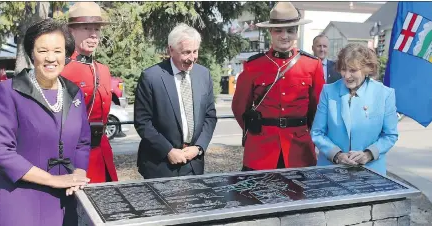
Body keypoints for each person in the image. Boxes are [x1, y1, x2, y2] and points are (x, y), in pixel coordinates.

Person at [0, 19, 91, 226]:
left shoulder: (74, 92)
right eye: (43, 50)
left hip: (66, 199)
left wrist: (79, 174)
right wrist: (53, 180)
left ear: (66, 54)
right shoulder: (9, 92)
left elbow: (82, 142)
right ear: (31, 53)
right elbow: (0, 151)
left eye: (58, 51)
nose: (51, 58)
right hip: (20, 200)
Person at [232, 2, 325, 171]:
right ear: (270, 32)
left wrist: (305, 133)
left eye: (290, 30)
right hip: (261, 149)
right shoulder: (253, 65)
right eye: (279, 30)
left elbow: (317, 109)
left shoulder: (312, 65)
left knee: (299, 196)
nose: (285, 36)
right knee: (256, 197)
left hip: (299, 150)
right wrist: (256, 129)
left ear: (296, 32)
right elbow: (239, 107)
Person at [134, 23, 217, 179]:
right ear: (171, 50)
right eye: (186, 52)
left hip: (194, 163)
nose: (192, 58)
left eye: (195, 51)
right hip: (160, 164)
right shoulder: (151, 77)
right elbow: (143, 122)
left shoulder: (203, 74)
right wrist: (168, 150)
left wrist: (198, 148)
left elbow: (210, 116)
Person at [310, 43, 399, 175]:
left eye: (353, 70)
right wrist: (337, 155)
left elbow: (390, 135)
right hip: (331, 171)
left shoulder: (385, 94)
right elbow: (317, 133)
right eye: (343, 69)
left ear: (366, 69)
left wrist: (369, 154)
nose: (346, 76)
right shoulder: (328, 91)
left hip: (371, 172)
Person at [61, 2, 118, 183]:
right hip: (74, 158)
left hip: (102, 153)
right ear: (71, 31)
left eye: (97, 29)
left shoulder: (103, 70)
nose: (93, 35)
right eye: (86, 28)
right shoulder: (61, 70)